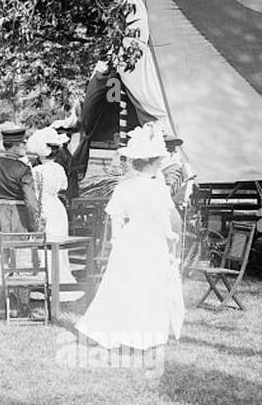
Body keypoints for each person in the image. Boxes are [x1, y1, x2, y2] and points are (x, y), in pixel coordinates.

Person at [73, 123, 185, 352]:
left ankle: (109, 328)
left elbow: (115, 216)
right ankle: (142, 334)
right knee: (147, 285)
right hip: (150, 240)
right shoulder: (157, 189)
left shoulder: (124, 188)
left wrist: (117, 239)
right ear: (154, 162)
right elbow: (164, 221)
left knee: (120, 283)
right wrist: (170, 237)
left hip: (129, 238)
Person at [0, 121, 41, 318]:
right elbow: (30, 202)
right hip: (18, 218)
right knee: (20, 262)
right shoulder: (23, 169)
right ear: (17, 145)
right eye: (23, 144)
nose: (25, 147)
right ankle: (21, 307)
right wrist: (35, 225)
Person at [29, 128, 76, 286]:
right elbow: (63, 186)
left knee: (46, 241)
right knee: (58, 241)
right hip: (57, 206)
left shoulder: (37, 170)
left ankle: (47, 278)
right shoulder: (59, 169)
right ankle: (59, 277)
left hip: (45, 205)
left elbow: (34, 192)